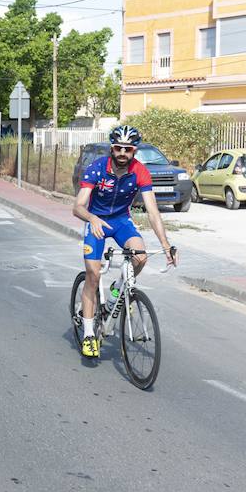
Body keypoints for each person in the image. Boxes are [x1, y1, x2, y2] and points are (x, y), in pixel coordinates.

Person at [72, 125, 178, 358]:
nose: (122, 153)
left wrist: (165, 244)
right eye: (118, 148)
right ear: (112, 148)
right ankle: (89, 333)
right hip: (96, 221)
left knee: (140, 256)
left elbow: (152, 211)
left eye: (127, 149)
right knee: (93, 274)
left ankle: (116, 293)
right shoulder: (96, 169)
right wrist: (92, 218)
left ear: (134, 151)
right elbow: (77, 206)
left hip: (121, 221)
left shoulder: (140, 171)